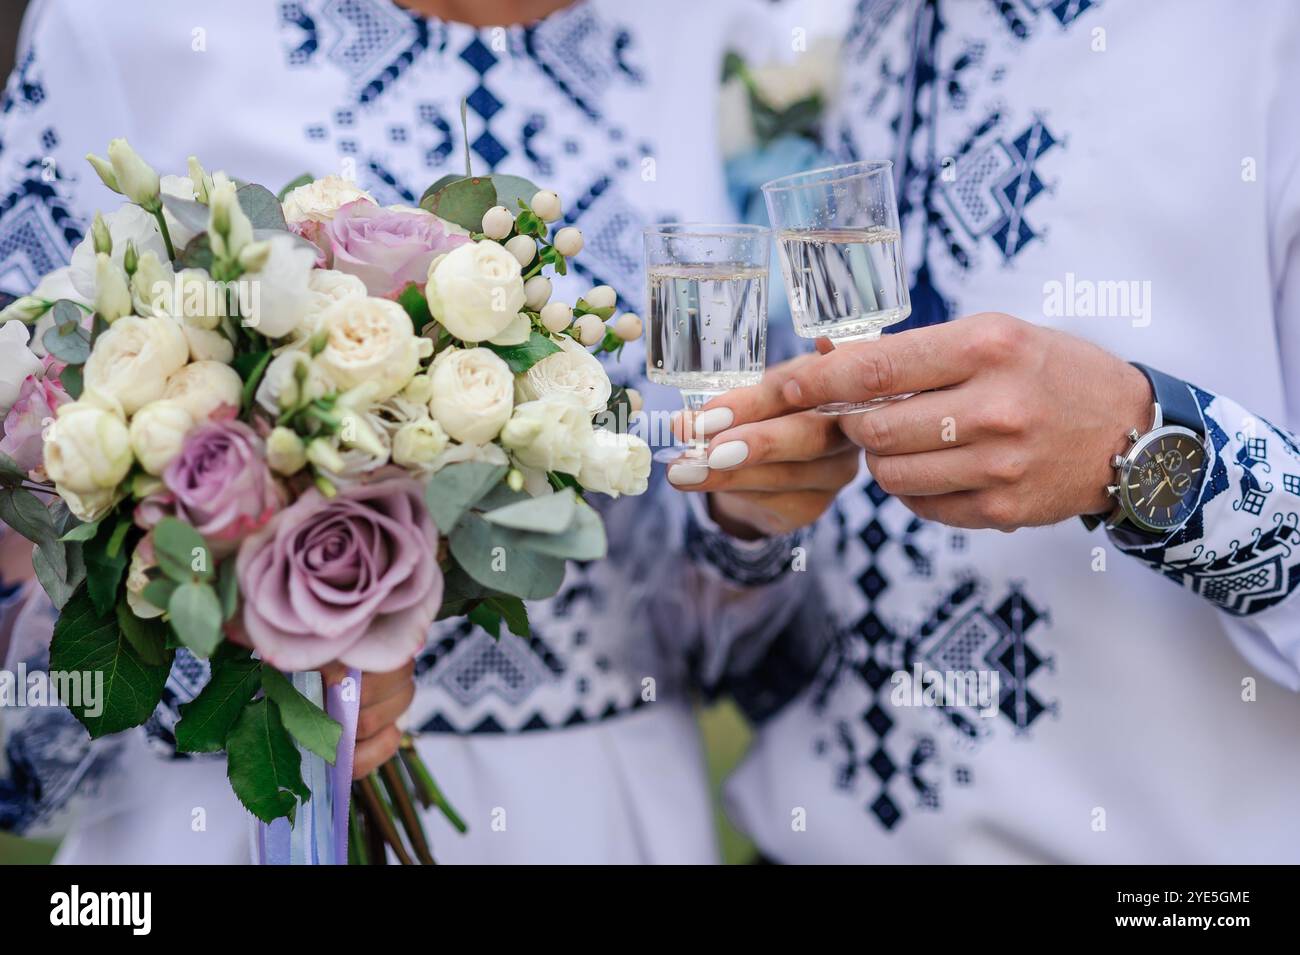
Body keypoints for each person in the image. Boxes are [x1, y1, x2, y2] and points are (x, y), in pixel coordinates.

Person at [0, 0, 855, 862]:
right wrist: (246, 634)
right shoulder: (123, 23)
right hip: (233, 817)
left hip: (601, 815)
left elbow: (751, 650)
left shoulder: (712, 31)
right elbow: (21, 522)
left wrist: (749, 526)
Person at [671, 0, 1300, 862]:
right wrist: (752, 526)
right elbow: (734, 634)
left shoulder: (1266, 41)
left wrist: (1139, 448)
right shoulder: (848, 30)